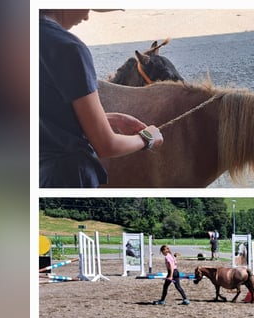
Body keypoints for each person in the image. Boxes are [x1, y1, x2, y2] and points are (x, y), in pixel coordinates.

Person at [39, 10, 164, 187]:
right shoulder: (69, 48)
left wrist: (112, 119)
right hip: (69, 176)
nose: (86, 16)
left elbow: (48, 117)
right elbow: (106, 145)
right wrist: (147, 138)